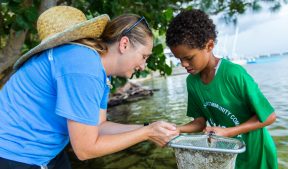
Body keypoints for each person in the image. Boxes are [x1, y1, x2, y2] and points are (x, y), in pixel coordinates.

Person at [0, 6, 179, 169]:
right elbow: (85, 150)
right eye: (144, 56)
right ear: (124, 44)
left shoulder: (99, 70)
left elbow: (99, 126)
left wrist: (148, 127)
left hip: (47, 152)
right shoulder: (83, 66)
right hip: (13, 153)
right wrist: (146, 134)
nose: (143, 65)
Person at [166, 9, 277, 169]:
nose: (183, 64)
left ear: (209, 45)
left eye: (189, 58)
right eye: (179, 59)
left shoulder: (233, 74)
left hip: (256, 155)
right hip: (227, 155)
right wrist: (177, 129)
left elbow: (269, 117)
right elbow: (200, 122)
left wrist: (230, 131)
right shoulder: (192, 82)